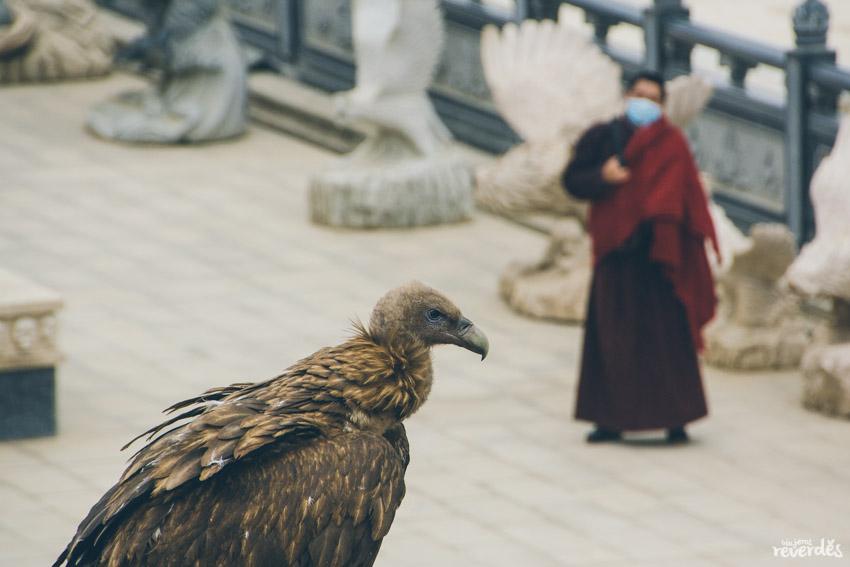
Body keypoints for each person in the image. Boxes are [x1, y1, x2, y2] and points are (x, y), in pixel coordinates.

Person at [562, 70, 719, 444]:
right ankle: (609, 420)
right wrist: (602, 175)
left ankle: (676, 418)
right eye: (638, 94)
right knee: (612, 338)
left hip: (660, 255)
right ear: (626, 96)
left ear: (663, 106)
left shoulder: (673, 143)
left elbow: (686, 196)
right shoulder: (603, 137)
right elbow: (572, 180)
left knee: (667, 340)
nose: (644, 103)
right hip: (616, 254)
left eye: (652, 98)